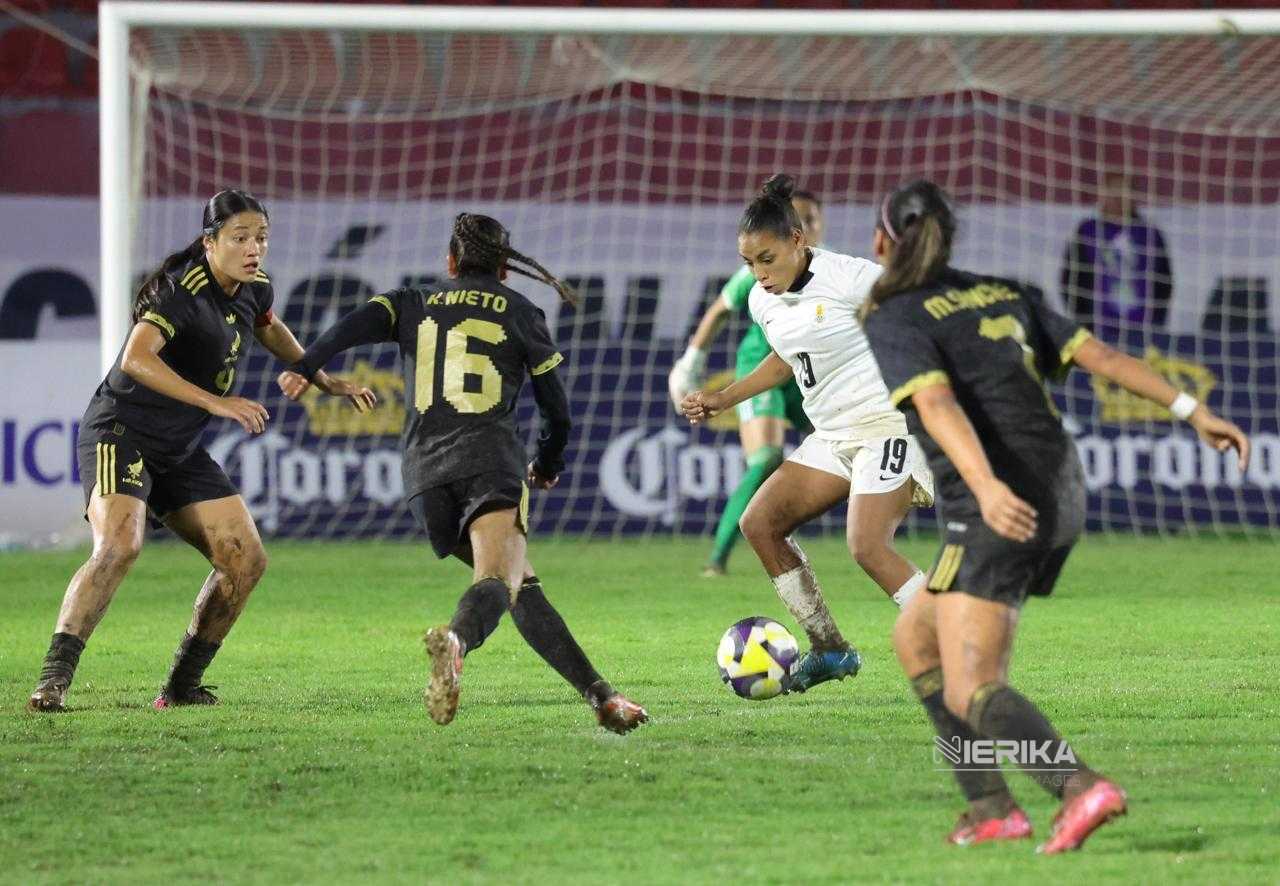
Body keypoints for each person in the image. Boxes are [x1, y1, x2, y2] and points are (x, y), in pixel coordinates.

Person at [861, 179, 1250, 852]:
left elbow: (938, 407)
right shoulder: (1002, 291)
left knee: (972, 684)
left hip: (999, 499)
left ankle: (1078, 786)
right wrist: (1194, 411)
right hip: (1063, 485)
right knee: (915, 640)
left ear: (879, 242)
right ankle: (990, 809)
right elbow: (1100, 356)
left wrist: (982, 486)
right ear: (948, 239)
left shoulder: (894, 315)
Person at [277, 213, 648, 734]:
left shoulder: (409, 301)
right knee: (498, 580)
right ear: (505, 270)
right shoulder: (521, 312)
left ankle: (602, 697)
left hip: (422, 477)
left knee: (520, 586)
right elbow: (557, 412)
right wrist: (547, 462)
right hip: (489, 462)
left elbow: (347, 328)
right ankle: (456, 643)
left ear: (450, 263)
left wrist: (306, 366)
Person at [27, 189, 375, 713]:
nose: (253, 248)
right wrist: (215, 402)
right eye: (240, 238)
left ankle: (181, 687)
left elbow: (271, 329)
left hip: (177, 448)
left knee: (246, 560)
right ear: (210, 242)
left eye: (261, 237)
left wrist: (322, 379)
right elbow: (136, 359)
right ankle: (53, 680)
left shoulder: (254, 287)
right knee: (121, 544)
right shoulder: (180, 289)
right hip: (121, 431)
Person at [681, 174, 934, 694]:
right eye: (750, 263)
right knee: (761, 523)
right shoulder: (759, 299)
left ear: (799, 240)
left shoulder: (850, 277)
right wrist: (724, 397)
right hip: (833, 433)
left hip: (888, 426)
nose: (759, 273)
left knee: (867, 545)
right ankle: (830, 649)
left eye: (767, 259)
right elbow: (785, 358)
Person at [668, 189, 823, 577]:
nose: (807, 226)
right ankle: (718, 557)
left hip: (809, 369)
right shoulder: (763, 266)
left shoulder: (833, 269)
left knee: (852, 442)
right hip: (763, 367)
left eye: (813, 218)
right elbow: (720, 311)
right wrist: (691, 362)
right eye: (799, 217)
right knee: (767, 458)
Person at [1060, 172, 1172, 342]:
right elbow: (1070, 279)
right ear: (1102, 195)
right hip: (1097, 332)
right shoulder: (1087, 231)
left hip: (1142, 332)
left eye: (1124, 191)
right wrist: (1083, 321)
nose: (1119, 198)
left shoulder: (1149, 233)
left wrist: (1156, 321)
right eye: (1113, 191)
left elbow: (1164, 281)